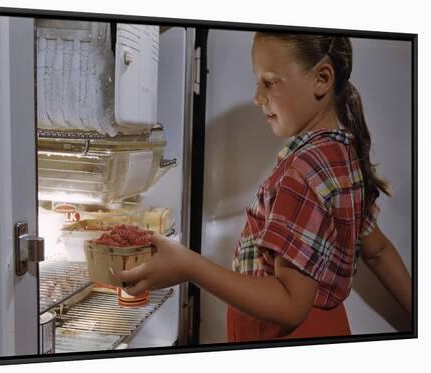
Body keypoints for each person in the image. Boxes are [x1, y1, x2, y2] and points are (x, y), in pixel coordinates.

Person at [112, 33, 412, 342]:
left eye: (269, 82)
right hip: (329, 328)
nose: (257, 96)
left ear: (322, 79)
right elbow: (378, 251)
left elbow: (290, 305)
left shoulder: (303, 171)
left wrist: (189, 266)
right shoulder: (340, 154)